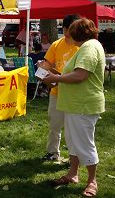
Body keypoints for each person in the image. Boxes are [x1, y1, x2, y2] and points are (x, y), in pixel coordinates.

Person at [44, 18, 105, 197]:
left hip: (83, 105)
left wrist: (56, 79)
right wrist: (57, 76)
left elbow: (80, 75)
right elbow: (74, 74)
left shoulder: (89, 47)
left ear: (78, 34)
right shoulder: (87, 47)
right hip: (74, 104)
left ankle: (92, 181)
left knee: (84, 144)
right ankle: (73, 174)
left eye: (70, 32)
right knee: (73, 143)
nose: (67, 35)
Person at [39, 14, 81, 161]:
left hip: (74, 93)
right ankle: (52, 152)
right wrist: (42, 68)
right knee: (54, 124)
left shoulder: (81, 46)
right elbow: (47, 64)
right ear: (64, 28)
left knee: (73, 127)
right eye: (68, 29)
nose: (69, 32)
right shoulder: (56, 44)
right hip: (56, 92)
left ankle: (74, 156)